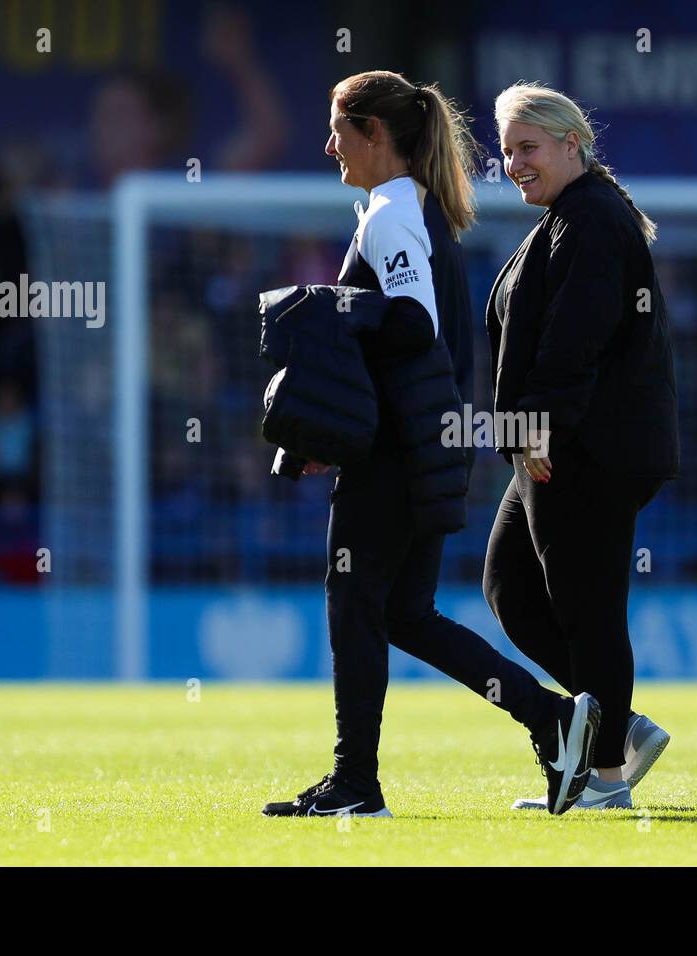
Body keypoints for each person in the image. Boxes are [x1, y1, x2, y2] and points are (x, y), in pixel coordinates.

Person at [263, 72, 597, 819]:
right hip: (421, 443)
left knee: (355, 604)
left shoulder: (388, 213)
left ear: (375, 134)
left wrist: (329, 308)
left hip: (396, 453)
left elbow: (412, 324)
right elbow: (412, 341)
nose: (328, 146)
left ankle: (356, 784)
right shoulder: (416, 211)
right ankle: (551, 720)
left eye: (338, 130)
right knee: (406, 614)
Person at [481, 83, 680, 811]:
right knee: (510, 589)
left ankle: (605, 778)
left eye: (527, 147)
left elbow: (575, 341)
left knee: (586, 609)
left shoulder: (590, 219)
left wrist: (536, 426)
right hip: (559, 440)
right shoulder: (574, 214)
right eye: (506, 152)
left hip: (583, 446)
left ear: (572, 143)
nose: (514, 163)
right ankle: (621, 731)